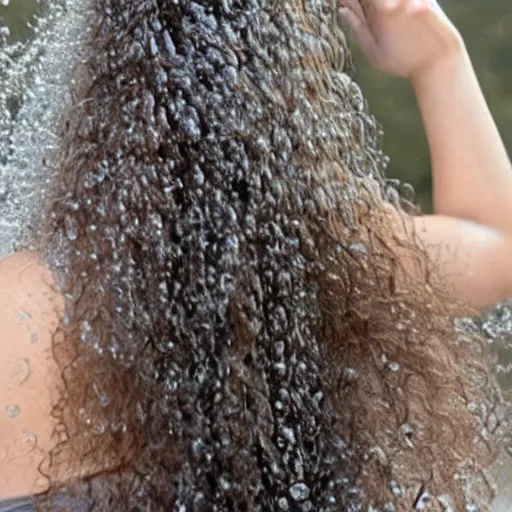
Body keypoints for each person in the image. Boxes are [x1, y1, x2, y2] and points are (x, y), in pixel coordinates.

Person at [0, 0, 509, 510]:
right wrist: (438, 57)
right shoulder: (340, 269)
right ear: (287, 70)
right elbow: (498, 240)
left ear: (99, 77)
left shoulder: (16, 315)